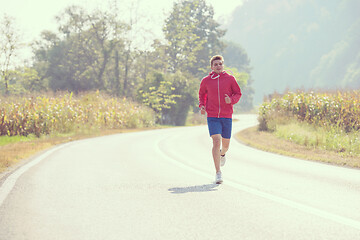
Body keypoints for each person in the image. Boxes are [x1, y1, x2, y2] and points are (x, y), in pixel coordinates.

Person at [198, 55, 242, 184]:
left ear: (223, 65)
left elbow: (238, 93)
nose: (218, 66)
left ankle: (223, 154)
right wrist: (202, 105)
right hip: (212, 116)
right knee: (216, 141)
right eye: (216, 64)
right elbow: (202, 95)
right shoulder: (206, 80)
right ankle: (218, 173)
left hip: (226, 115)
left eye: (220, 64)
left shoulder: (230, 79)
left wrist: (231, 100)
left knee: (226, 145)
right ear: (212, 67)